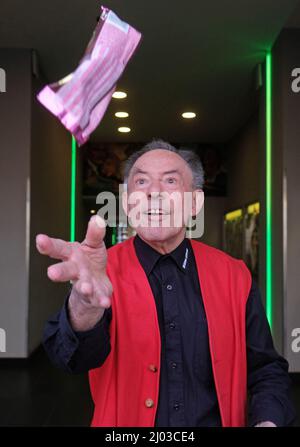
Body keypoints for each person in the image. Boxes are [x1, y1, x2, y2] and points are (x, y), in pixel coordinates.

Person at [37, 139, 295, 427]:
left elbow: (266, 369)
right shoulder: (102, 271)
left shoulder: (235, 276)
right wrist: (84, 306)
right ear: (126, 202)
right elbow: (70, 360)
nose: (154, 193)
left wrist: (268, 422)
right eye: (142, 182)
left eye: (170, 181)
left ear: (194, 202)